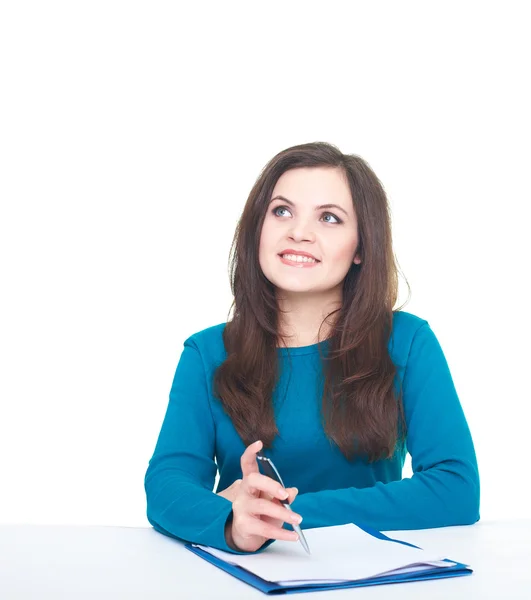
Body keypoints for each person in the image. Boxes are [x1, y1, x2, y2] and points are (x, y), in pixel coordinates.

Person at [144, 141, 480, 554]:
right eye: (282, 211)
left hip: (375, 572)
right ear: (258, 229)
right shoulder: (207, 352)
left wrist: (275, 512)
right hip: (246, 574)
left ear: (361, 248)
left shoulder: (407, 341)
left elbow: (455, 490)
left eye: (329, 218)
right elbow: (166, 485)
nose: (299, 232)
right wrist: (233, 525)